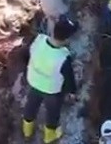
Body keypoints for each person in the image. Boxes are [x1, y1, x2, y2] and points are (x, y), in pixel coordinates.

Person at [22, 16, 79, 144]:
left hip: (34, 82)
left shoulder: (39, 39)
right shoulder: (63, 57)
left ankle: (27, 131)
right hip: (52, 90)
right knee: (53, 113)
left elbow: (27, 54)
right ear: (67, 39)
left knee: (31, 106)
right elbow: (69, 79)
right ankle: (49, 136)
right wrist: (72, 92)